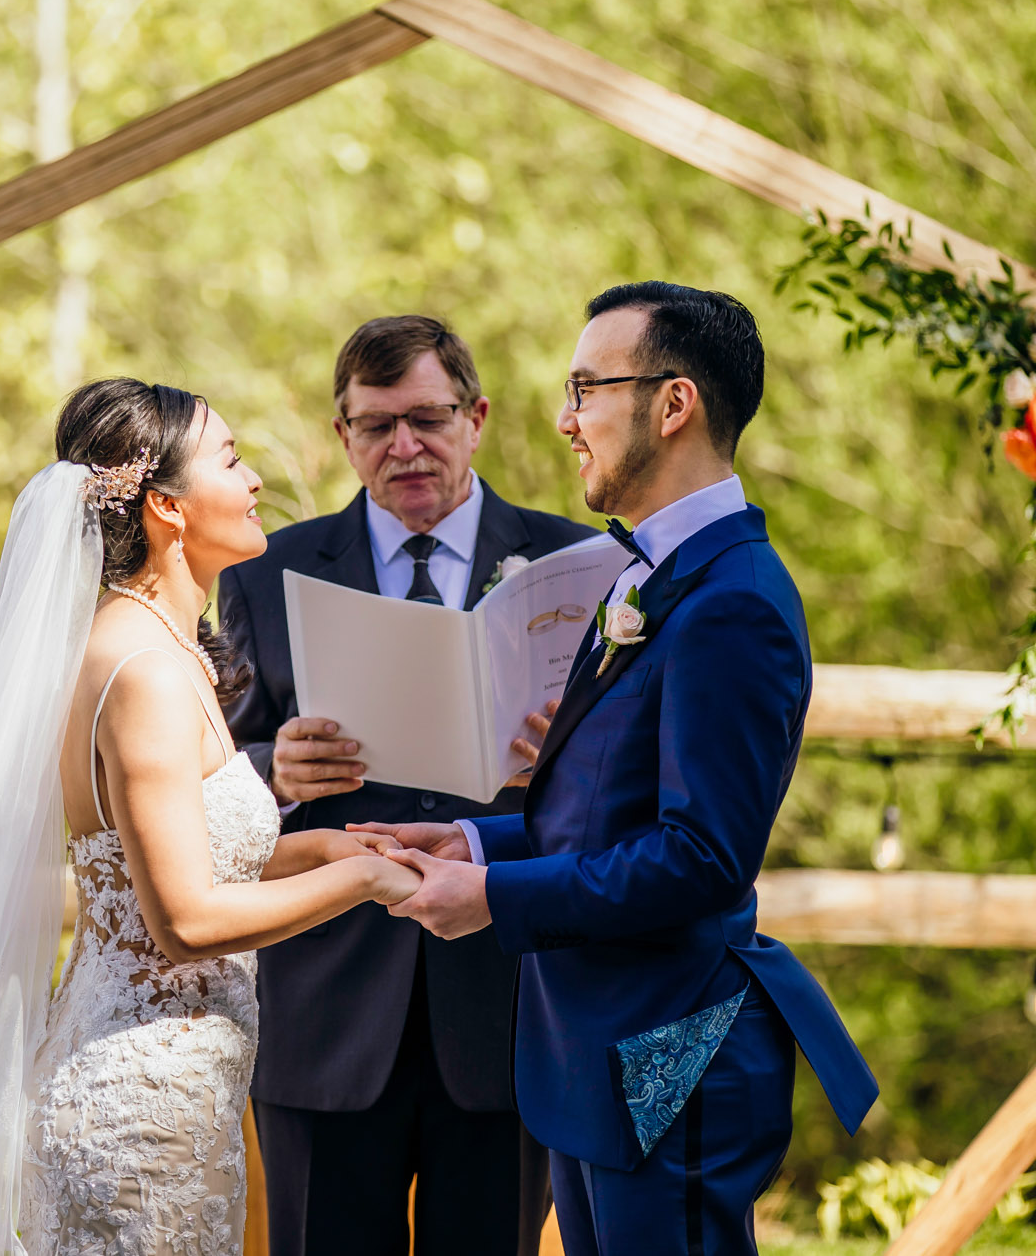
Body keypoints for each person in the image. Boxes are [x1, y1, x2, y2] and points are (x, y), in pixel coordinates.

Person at [0, 379, 423, 1256]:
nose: (255, 481)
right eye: (231, 461)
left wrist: (342, 847)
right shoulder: (144, 674)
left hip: (177, 1098)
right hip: (137, 1116)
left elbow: (194, 858)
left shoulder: (162, 645)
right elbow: (186, 918)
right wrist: (365, 881)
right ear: (168, 506)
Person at [362, 284, 879, 1256]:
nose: (564, 421)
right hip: (599, 1051)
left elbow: (698, 858)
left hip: (669, 1055)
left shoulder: (732, 602)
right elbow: (611, 813)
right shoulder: (645, 577)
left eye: (584, 389)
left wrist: (490, 897)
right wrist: (473, 839)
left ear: (671, 404)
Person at [218, 316, 590, 1256]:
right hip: (325, 1004)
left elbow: (628, 776)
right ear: (343, 436)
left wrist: (569, 760)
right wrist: (275, 772)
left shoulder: (575, 565)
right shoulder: (269, 572)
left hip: (508, 1000)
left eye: (427, 416)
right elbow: (206, 766)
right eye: (376, 425)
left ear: (478, 417)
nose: (405, 446)